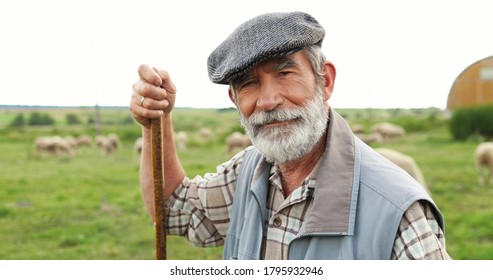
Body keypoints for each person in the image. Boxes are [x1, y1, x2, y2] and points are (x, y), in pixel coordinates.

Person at [129, 11, 451, 260]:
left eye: (285, 73)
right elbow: (173, 209)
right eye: (249, 84)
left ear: (325, 82)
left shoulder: (398, 214)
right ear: (235, 101)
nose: (268, 101)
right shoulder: (248, 173)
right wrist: (157, 121)